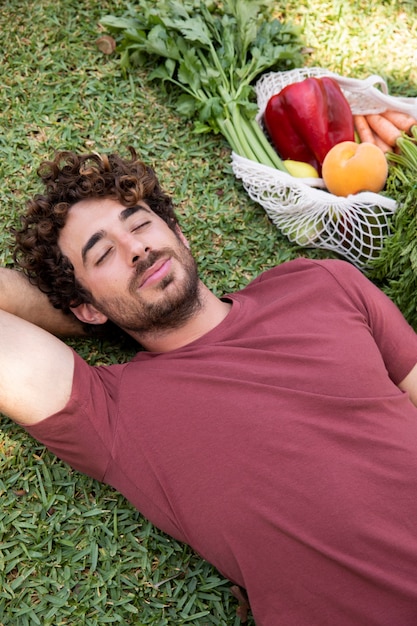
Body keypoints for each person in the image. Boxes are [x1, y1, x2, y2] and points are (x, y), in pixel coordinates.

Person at [2, 147, 417, 626]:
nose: (135, 248)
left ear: (176, 232)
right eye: (102, 254)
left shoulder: (321, 282)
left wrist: (109, 301)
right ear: (86, 306)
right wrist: (98, 318)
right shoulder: (112, 412)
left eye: (139, 225)